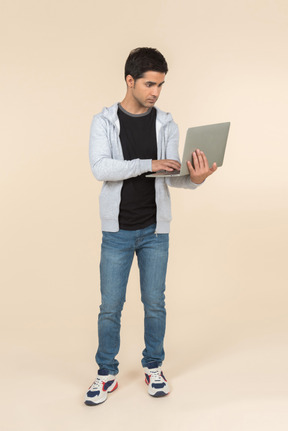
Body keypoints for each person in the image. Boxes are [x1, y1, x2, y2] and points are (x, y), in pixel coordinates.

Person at [85, 47, 217, 406]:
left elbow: (171, 176)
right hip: (117, 232)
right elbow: (101, 168)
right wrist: (149, 162)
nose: (155, 91)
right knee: (110, 306)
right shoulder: (105, 121)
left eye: (160, 84)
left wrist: (197, 178)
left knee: (154, 303)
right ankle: (106, 373)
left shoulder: (166, 123)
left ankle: (153, 366)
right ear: (130, 81)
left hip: (155, 231)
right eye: (149, 83)